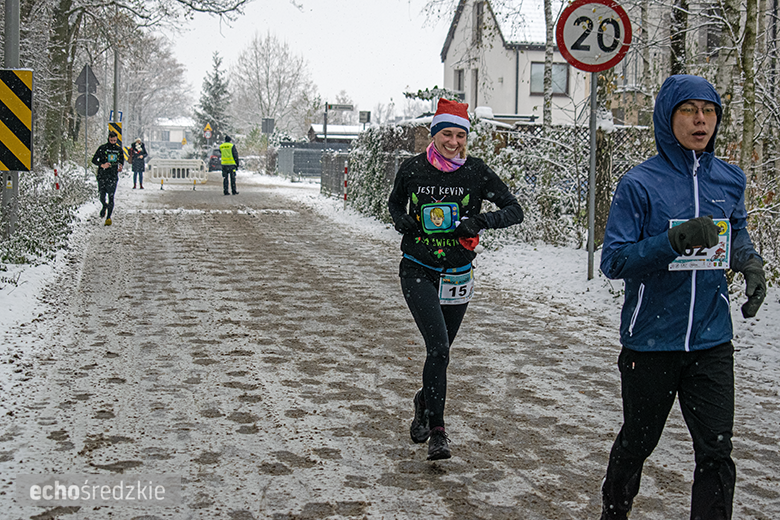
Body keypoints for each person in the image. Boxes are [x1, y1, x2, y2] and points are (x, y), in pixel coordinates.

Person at [599, 75, 766, 520]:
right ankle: (613, 512)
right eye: (689, 110)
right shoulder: (640, 184)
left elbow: (736, 234)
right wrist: (671, 242)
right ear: (667, 117)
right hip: (651, 341)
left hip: (711, 341)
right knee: (638, 442)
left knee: (716, 451)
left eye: (709, 111)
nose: (700, 120)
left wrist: (749, 264)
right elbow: (613, 261)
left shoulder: (730, 179)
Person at [388, 98, 524, 461]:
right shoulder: (413, 170)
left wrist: (479, 222)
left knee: (441, 353)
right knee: (439, 348)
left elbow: (515, 210)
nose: (453, 141)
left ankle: (423, 399)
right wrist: (401, 221)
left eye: (459, 134)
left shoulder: (476, 172)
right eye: (446, 133)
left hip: (458, 273)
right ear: (434, 135)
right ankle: (438, 432)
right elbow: (394, 205)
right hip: (417, 267)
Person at [91, 131, 124, 226]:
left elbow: (121, 160)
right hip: (102, 176)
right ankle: (104, 206)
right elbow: (94, 160)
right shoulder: (102, 148)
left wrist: (120, 166)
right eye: (111, 140)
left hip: (113, 176)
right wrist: (102, 165)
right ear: (108, 139)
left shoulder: (119, 149)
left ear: (117, 139)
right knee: (102, 196)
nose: (113, 142)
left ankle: (108, 217)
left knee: (111, 197)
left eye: (114, 140)